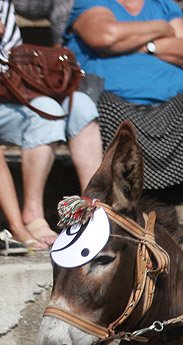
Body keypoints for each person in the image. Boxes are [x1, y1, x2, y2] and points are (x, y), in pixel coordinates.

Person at [65, 0, 183, 234]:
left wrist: (144, 46)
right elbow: (104, 37)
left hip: (169, 98)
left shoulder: (163, 4)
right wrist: (161, 29)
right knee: (113, 115)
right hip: (111, 97)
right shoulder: (92, 2)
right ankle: (111, 209)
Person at [1, 0, 102, 246]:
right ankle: (31, 216)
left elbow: (13, 51)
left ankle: (97, 208)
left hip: (11, 87)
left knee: (80, 104)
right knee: (46, 110)